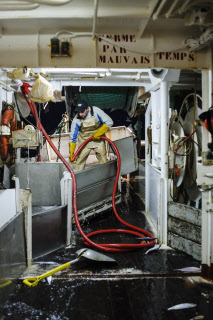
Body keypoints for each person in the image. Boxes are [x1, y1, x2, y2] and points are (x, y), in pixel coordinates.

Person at [69, 100, 113, 171]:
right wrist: (71, 153)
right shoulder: (76, 120)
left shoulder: (96, 111)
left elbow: (109, 122)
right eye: (78, 112)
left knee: (103, 160)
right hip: (84, 141)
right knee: (79, 162)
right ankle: (76, 179)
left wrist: (98, 133)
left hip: (98, 139)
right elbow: (72, 138)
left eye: (82, 111)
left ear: (87, 109)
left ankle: (106, 176)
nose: (80, 114)